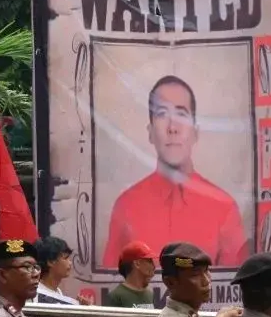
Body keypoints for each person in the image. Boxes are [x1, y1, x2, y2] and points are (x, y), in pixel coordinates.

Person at [102, 75, 247, 268]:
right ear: (150, 132)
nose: (172, 128)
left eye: (181, 114)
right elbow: (112, 280)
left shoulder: (224, 208)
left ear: (195, 132)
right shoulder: (126, 206)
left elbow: (235, 282)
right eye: (162, 114)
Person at [34, 237, 87, 304]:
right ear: (50, 261)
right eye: (66, 258)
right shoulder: (34, 294)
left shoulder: (58, 292)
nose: (70, 263)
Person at [107, 241, 157, 308]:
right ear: (137, 264)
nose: (154, 266)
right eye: (150, 261)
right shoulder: (116, 297)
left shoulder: (150, 294)